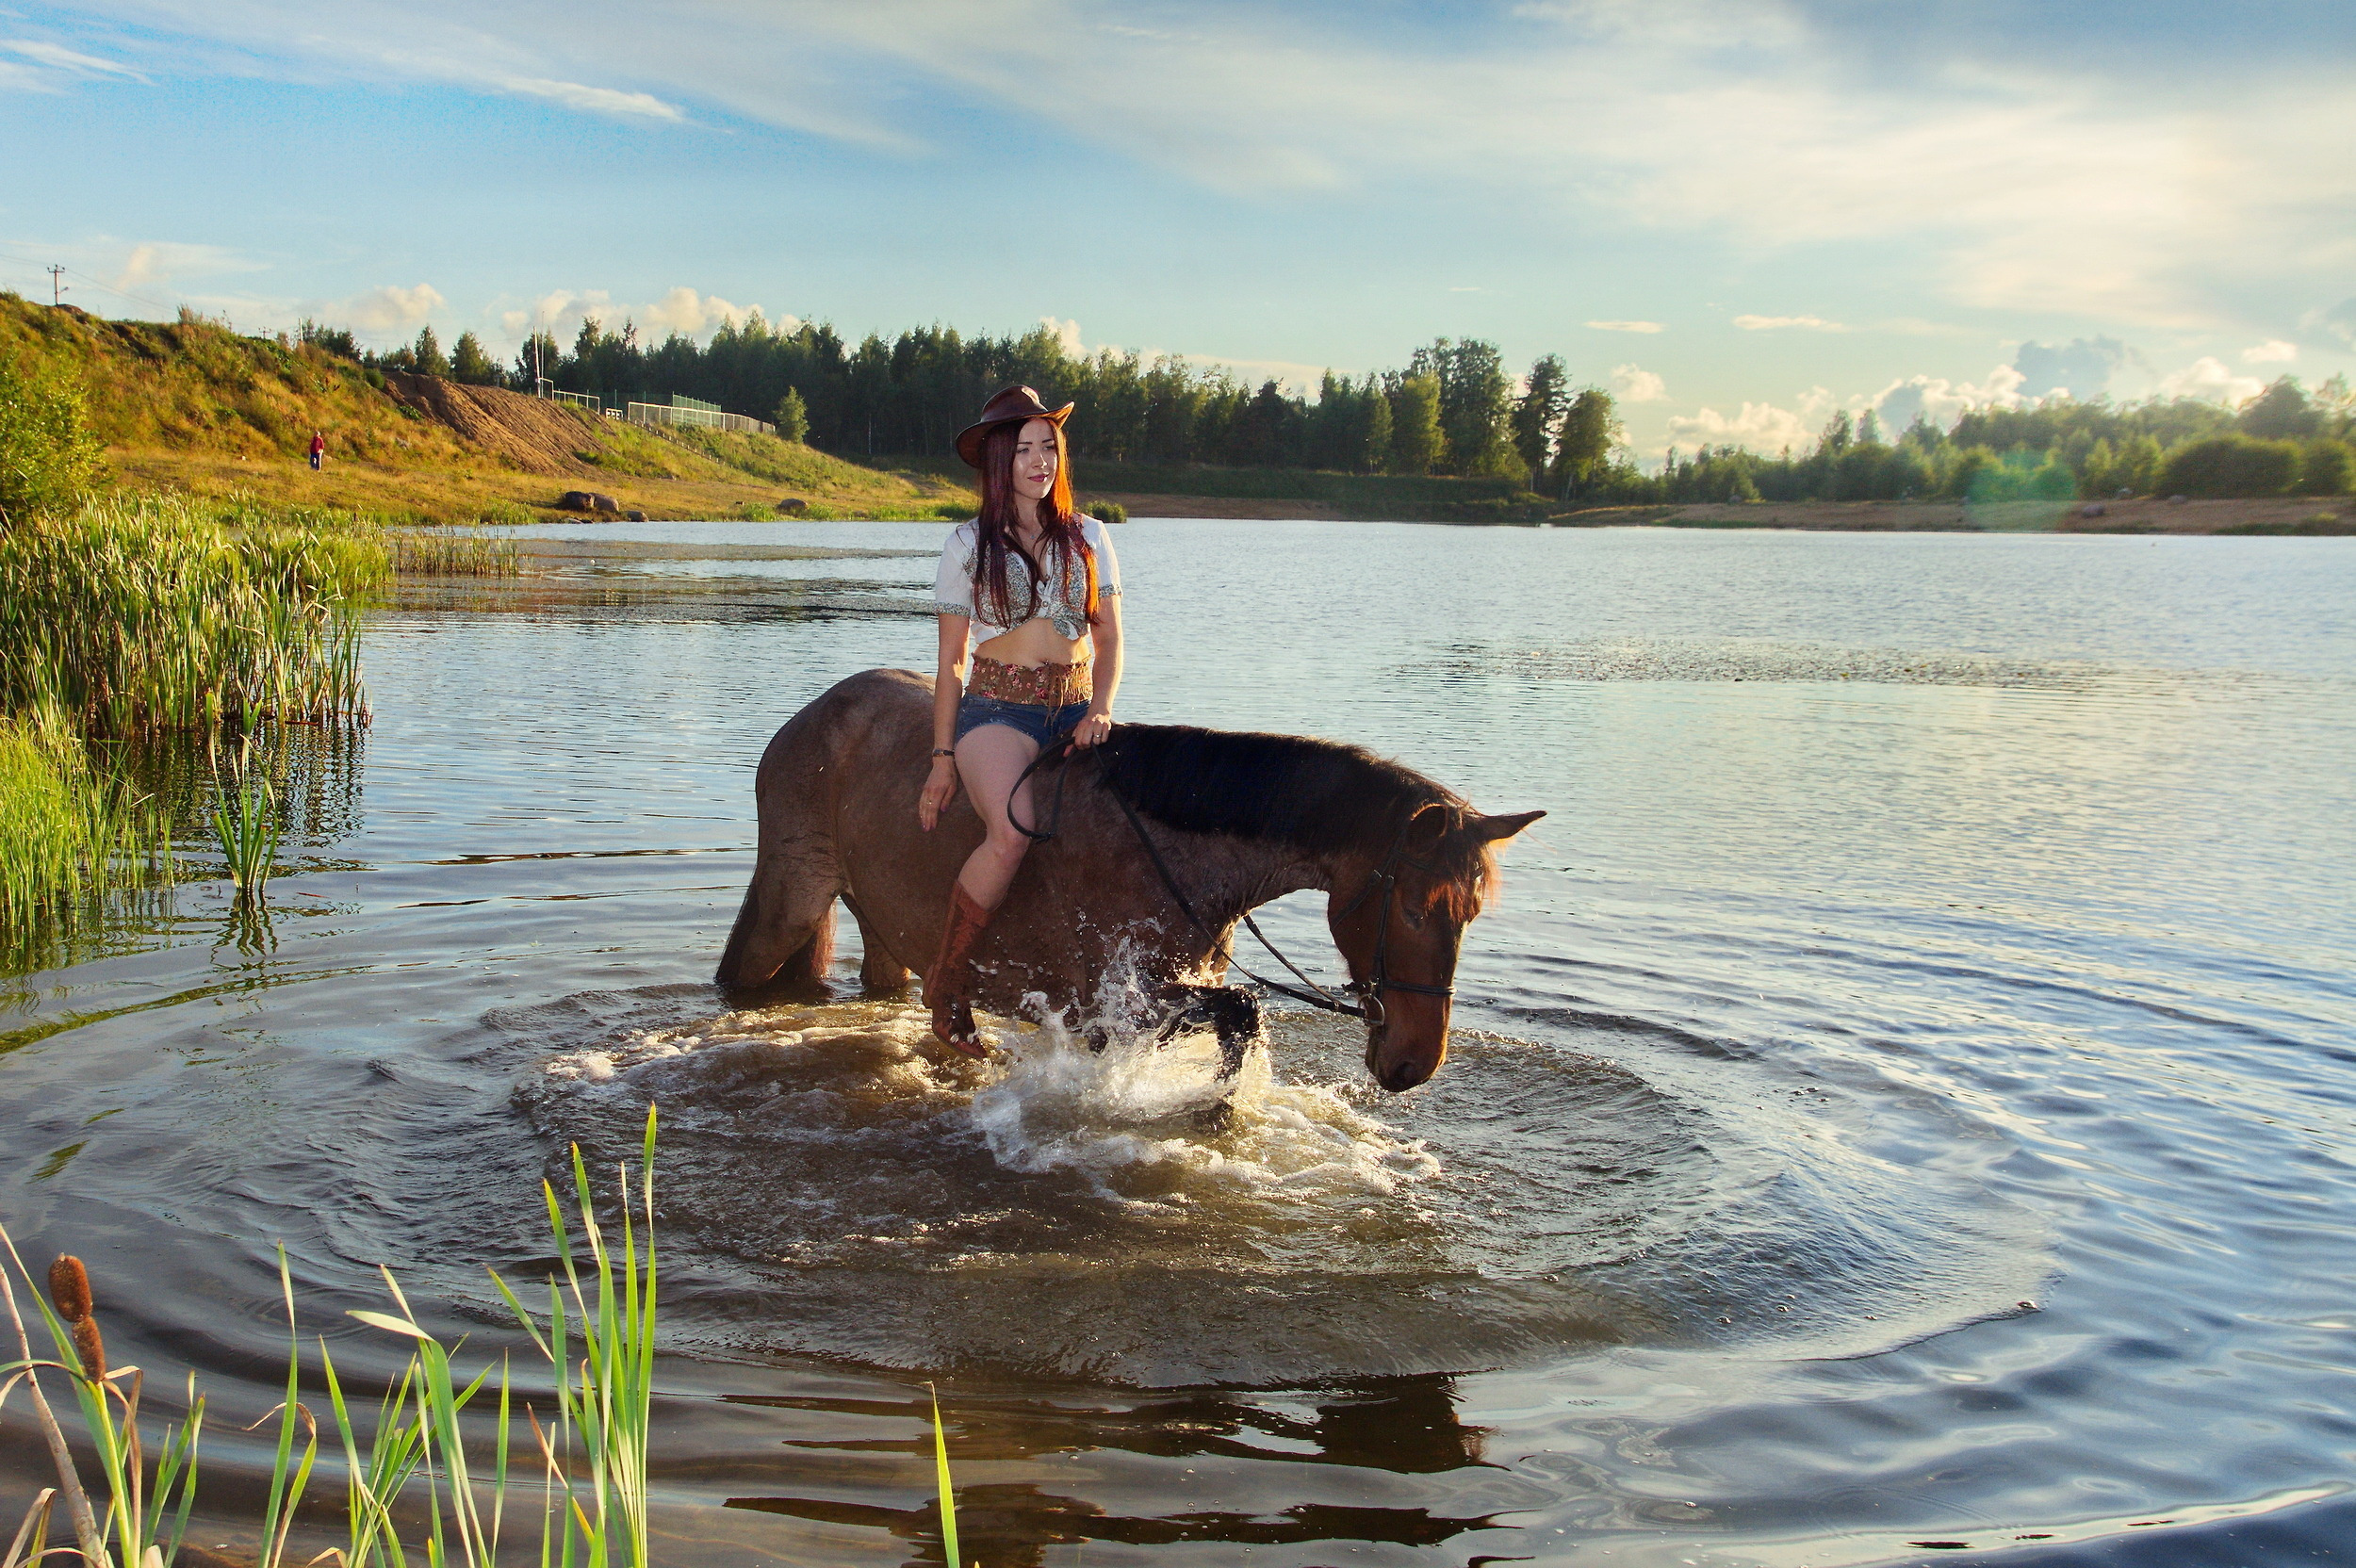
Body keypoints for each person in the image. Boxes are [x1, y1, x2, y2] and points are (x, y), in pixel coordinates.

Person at [917, 385, 1123, 1056]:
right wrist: (942, 758)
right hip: (997, 711)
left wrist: (1102, 709)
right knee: (1012, 832)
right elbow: (950, 665)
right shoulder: (965, 545)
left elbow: (1110, 639)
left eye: (1049, 447)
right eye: (1026, 449)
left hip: (1076, 708)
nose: (1041, 461)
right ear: (999, 461)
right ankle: (946, 986)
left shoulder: (1091, 536)